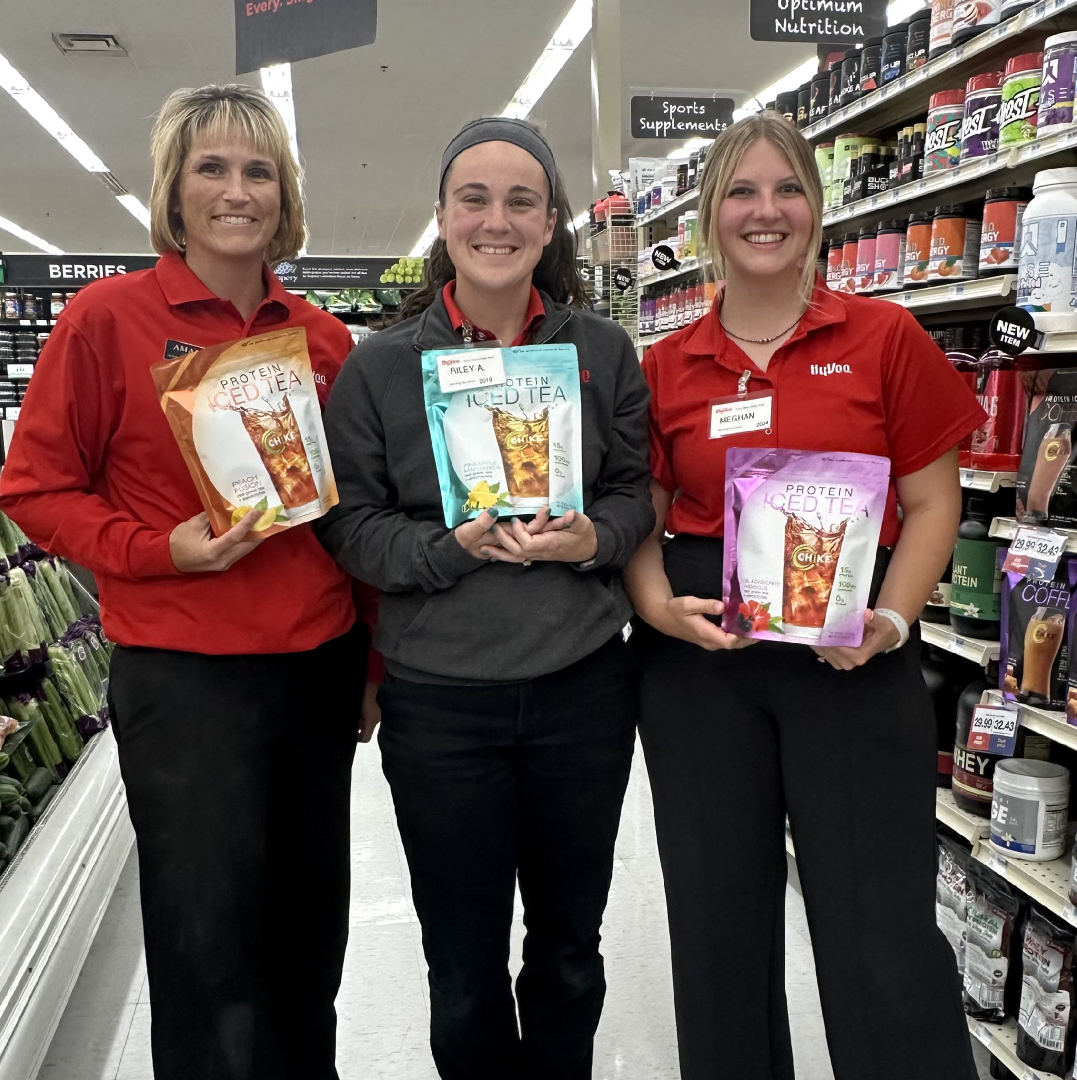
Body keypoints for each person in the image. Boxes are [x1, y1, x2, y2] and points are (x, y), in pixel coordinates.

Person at [0, 84, 376, 1080]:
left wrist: (373, 664)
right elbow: (34, 487)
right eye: (212, 167)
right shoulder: (105, 321)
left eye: (258, 171)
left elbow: (353, 523)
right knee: (206, 954)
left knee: (308, 944)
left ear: (284, 192)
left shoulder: (325, 341)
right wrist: (165, 548)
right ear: (173, 186)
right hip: (185, 681)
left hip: (316, 675)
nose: (237, 191)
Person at [624, 112, 984, 1080]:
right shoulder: (666, 366)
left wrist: (894, 620)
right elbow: (641, 515)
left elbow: (932, 498)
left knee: (881, 932)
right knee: (716, 925)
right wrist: (658, 607)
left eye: (787, 190)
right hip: (704, 653)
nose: (766, 210)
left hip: (853, 644)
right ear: (710, 217)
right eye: (742, 191)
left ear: (817, 213)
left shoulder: (884, 338)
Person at [315, 117, 654, 1079]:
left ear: (552, 226)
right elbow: (349, 525)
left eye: (521, 201)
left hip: (583, 691)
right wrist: (447, 550)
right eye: (475, 198)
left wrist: (599, 537)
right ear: (442, 219)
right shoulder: (381, 368)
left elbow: (635, 491)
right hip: (440, 706)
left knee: (568, 952)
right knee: (460, 964)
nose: (496, 221)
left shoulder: (603, 353)